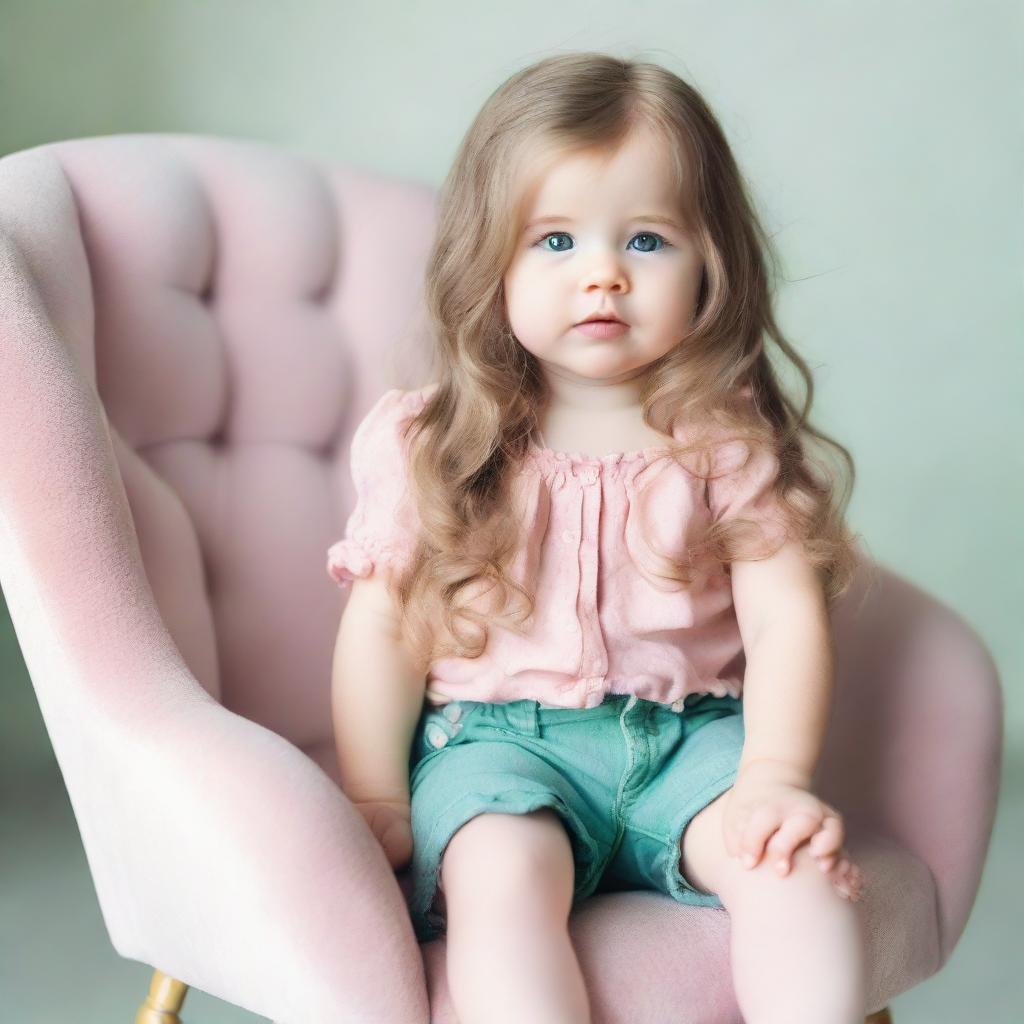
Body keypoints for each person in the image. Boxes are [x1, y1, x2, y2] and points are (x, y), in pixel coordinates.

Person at [328, 51, 869, 1024]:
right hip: (499, 746)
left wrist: (772, 781)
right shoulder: (434, 440)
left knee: (793, 871)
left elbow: (786, 622)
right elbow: (382, 626)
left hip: (690, 741)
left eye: (649, 240)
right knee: (498, 877)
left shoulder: (724, 439)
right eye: (556, 241)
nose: (604, 274)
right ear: (484, 259)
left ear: (713, 261)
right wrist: (378, 795)